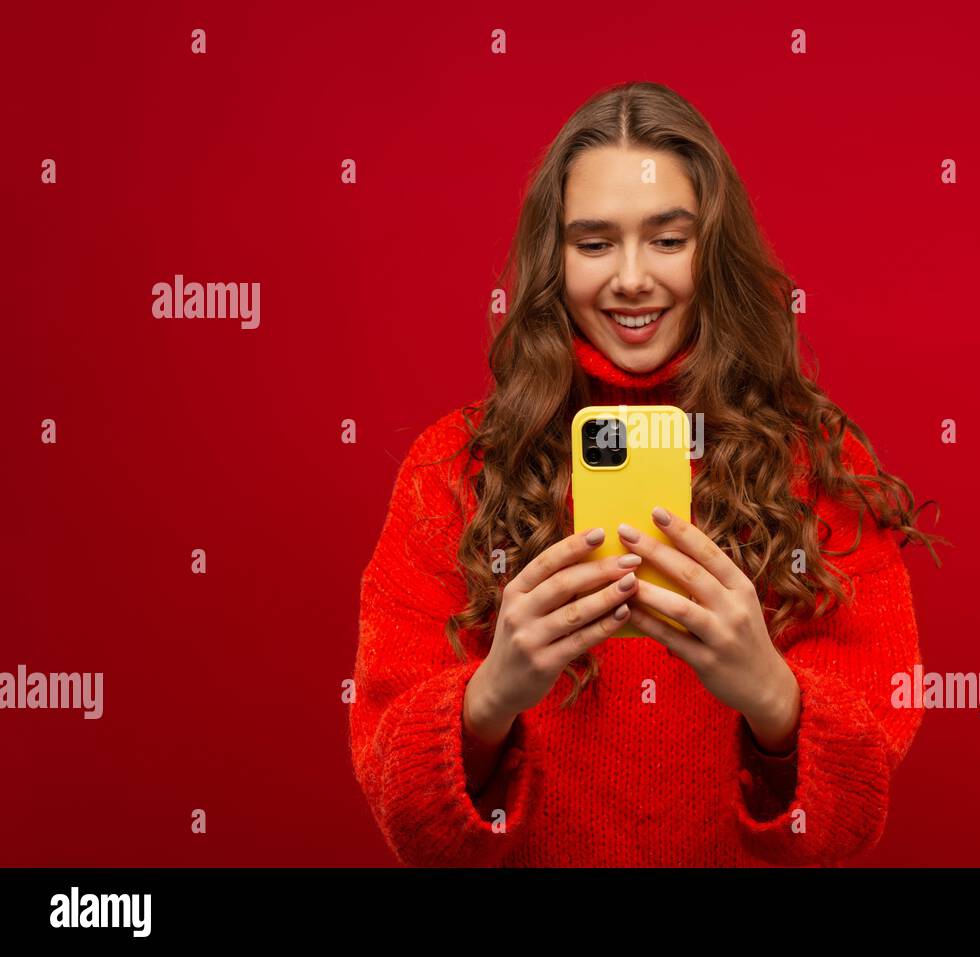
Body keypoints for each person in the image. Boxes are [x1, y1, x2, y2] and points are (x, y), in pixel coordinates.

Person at [349, 81, 947, 867]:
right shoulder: (451, 469)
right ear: (551, 258)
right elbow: (408, 818)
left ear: (716, 249)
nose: (632, 278)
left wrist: (769, 690)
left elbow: (841, 826)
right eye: (595, 243)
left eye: (669, 239)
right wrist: (493, 691)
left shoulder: (815, 464)